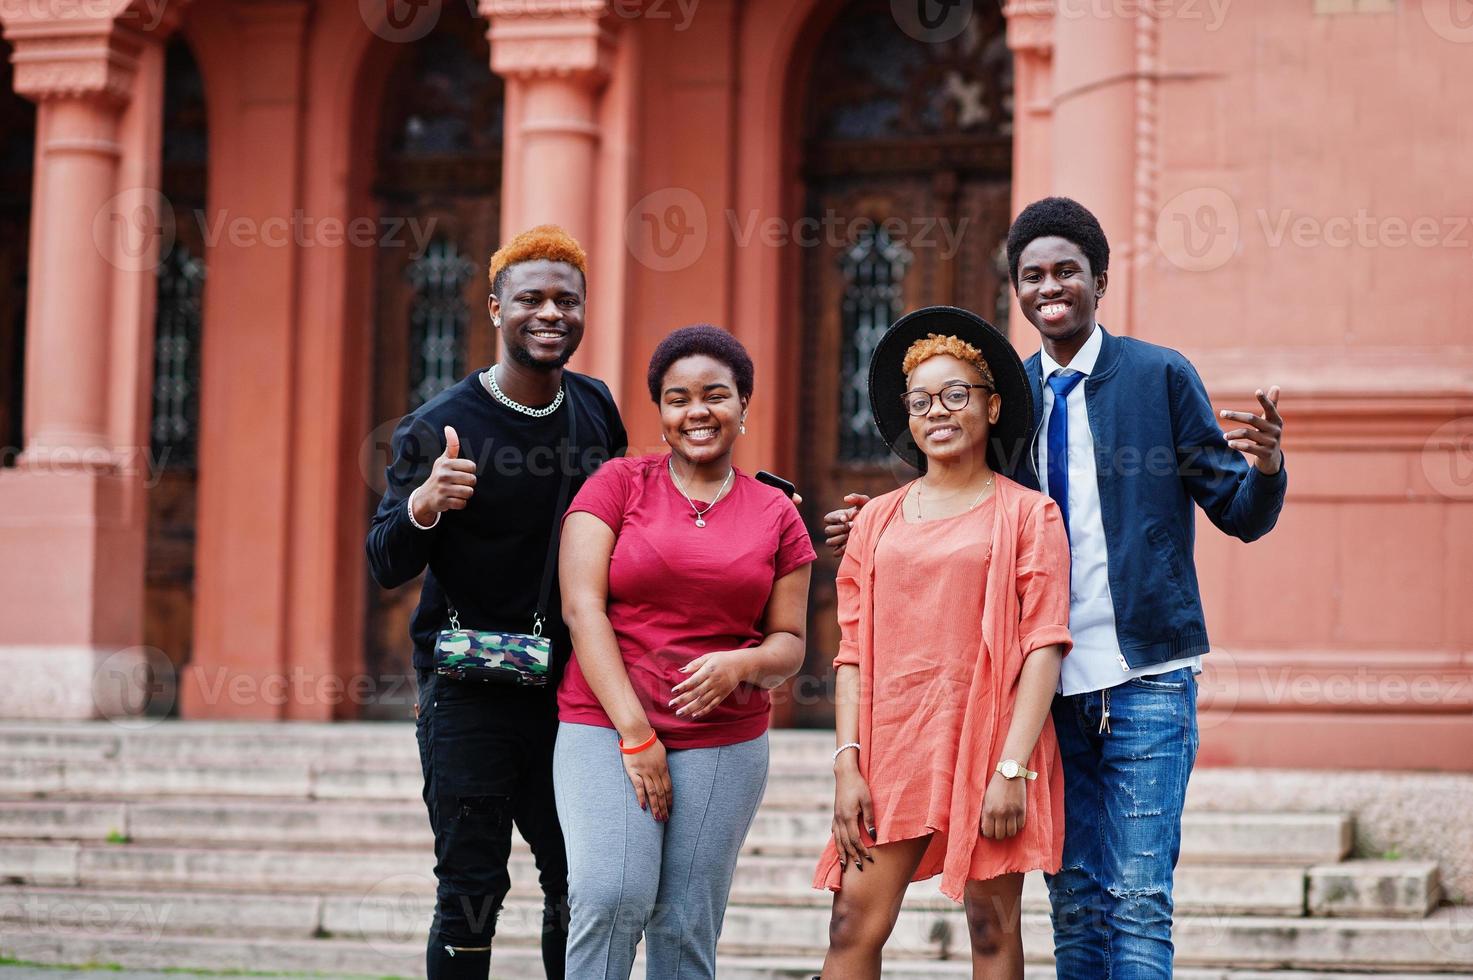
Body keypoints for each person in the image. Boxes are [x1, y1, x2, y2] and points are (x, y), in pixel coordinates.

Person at [825, 197, 1287, 978]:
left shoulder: (1158, 376)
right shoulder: (1009, 393)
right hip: (1041, 693)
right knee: (1071, 903)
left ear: (1098, 280)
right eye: (1031, 275)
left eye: (1065, 271)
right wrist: (879, 524)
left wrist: (1267, 468)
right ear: (1017, 289)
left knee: (1136, 899)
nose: (1048, 287)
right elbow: (961, 499)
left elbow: (1237, 513)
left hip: (1143, 675)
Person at [365, 225, 627, 980]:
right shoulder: (439, 426)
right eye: (531, 299)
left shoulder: (594, 408)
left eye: (566, 300)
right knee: (471, 891)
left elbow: (627, 518)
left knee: (579, 884)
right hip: (467, 693)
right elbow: (385, 561)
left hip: (573, 691)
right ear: (493, 309)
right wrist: (423, 504)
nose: (550, 314)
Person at [812, 307, 1072, 980]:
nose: (938, 411)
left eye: (956, 395)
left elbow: (1044, 645)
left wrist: (1012, 771)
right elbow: (852, 651)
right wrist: (847, 764)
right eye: (921, 400)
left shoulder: (1027, 515)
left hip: (988, 747)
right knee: (849, 925)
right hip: (891, 748)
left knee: (990, 930)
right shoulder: (875, 521)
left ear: (989, 408)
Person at [555, 324, 816, 980]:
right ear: (662, 413)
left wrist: (741, 664)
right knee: (610, 894)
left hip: (723, 737)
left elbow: (789, 643)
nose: (696, 411)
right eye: (677, 398)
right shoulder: (616, 485)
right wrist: (636, 734)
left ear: (743, 406)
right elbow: (581, 609)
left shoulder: (776, 513)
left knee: (685, 921)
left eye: (715, 395)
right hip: (606, 723)